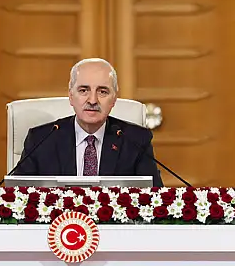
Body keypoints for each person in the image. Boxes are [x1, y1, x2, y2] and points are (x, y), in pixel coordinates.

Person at [14, 58, 164, 187]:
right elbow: (16, 197)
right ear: (71, 96)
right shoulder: (41, 140)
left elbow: (154, 197)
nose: (92, 100)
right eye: (83, 90)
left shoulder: (136, 140)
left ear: (114, 99)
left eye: (102, 92)